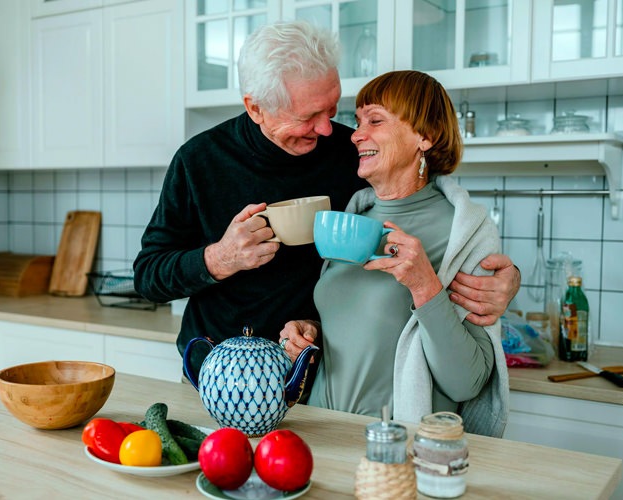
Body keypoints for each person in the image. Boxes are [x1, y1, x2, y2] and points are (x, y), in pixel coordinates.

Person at [133, 20, 519, 381]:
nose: (328, 129)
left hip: (321, 377)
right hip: (222, 374)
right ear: (255, 108)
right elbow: (148, 275)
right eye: (309, 115)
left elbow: (430, 203)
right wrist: (220, 258)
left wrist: (501, 279)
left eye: (332, 110)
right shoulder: (199, 160)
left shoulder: (351, 152)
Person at [279, 70, 509, 437]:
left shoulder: (464, 231)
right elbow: (364, 333)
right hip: (317, 435)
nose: (355, 134)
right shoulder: (352, 218)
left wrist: (425, 286)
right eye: (357, 121)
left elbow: (468, 382)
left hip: (394, 447)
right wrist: (311, 335)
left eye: (375, 120)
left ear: (425, 136)